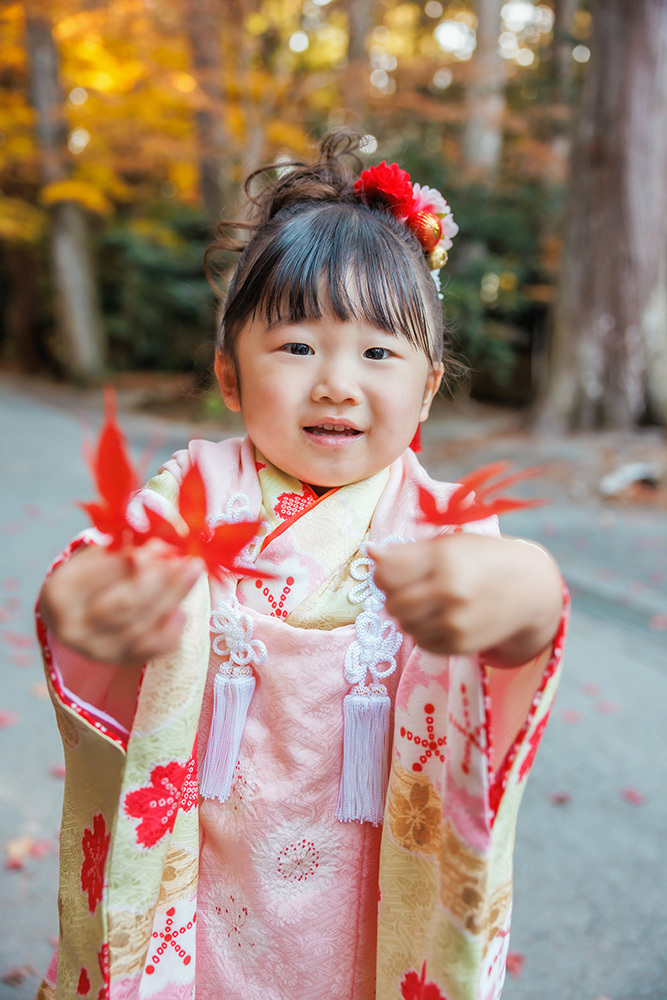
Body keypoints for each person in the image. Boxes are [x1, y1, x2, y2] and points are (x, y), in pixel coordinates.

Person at [36, 131, 567, 1000]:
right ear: (230, 375)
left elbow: (510, 629)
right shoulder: (197, 487)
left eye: (378, 353)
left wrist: (526, 600)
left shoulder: (443, 525)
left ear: (427, 387)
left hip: (364, 891)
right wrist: (89, 599)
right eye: (295, 347)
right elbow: (109, 562)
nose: (335, 383)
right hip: (205, 887)